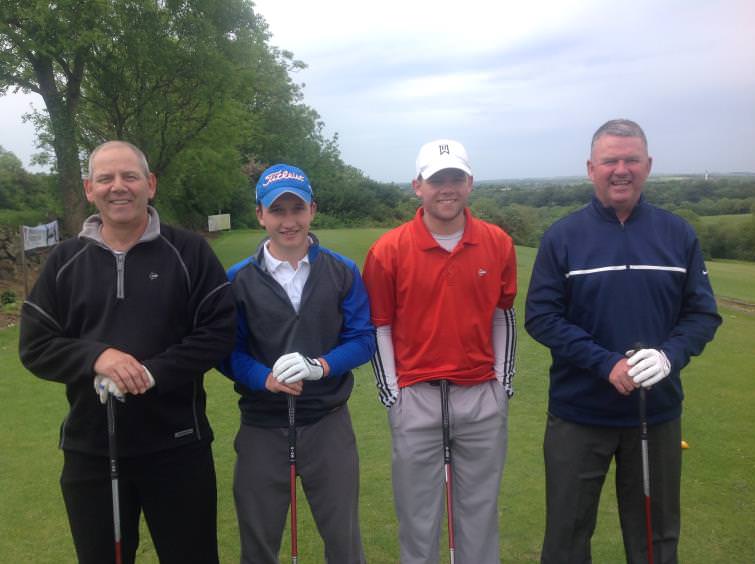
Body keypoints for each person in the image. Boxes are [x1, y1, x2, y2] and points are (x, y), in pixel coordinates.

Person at [18, 141, 236, 564]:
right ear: (89, 188)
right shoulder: (65, 260)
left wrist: (151, 373)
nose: (119, 187)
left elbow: (219, 332)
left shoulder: (189, 252)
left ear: (150, 184)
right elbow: (36, 344)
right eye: (106, 178)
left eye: (130, 176)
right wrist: (97, 357)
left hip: (178, 446)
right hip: (91, 450)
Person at [525, 119, 722, 564]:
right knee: (567, 537)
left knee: (655, 538)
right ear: (590, 167)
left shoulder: (678, 233)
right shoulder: (563, 236)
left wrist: (670, 356)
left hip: (657, 412)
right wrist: (603, 363)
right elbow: (541, 317)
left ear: (648, 166)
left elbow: (702, 314)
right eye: (610, 160)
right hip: (579, 415)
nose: (621, 169)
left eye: (631, 159)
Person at [362, 139, 518, 563]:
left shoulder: (497, 243)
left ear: (469, 183)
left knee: (480, 514)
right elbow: (379, 326)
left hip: (480, 395)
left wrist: (502, 384)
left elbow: (502, 316)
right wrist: (392, 394)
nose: (446, 188)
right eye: (436, 180)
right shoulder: (388, 250)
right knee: (417, 519)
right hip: (416, 396)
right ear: (418, 186)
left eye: (455, 178)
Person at [222, 163, 375, 564]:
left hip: (328, 422)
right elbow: (225, 352)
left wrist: (320, 365)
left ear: (312, 209)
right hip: (262, 424)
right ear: (260, 214)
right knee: (258, 544)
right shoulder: (237, 280)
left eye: (297, 209)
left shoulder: (342, 272)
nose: (288, 221)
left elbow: (363, 339)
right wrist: (264, 378)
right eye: (277, 211)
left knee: (343, 541)